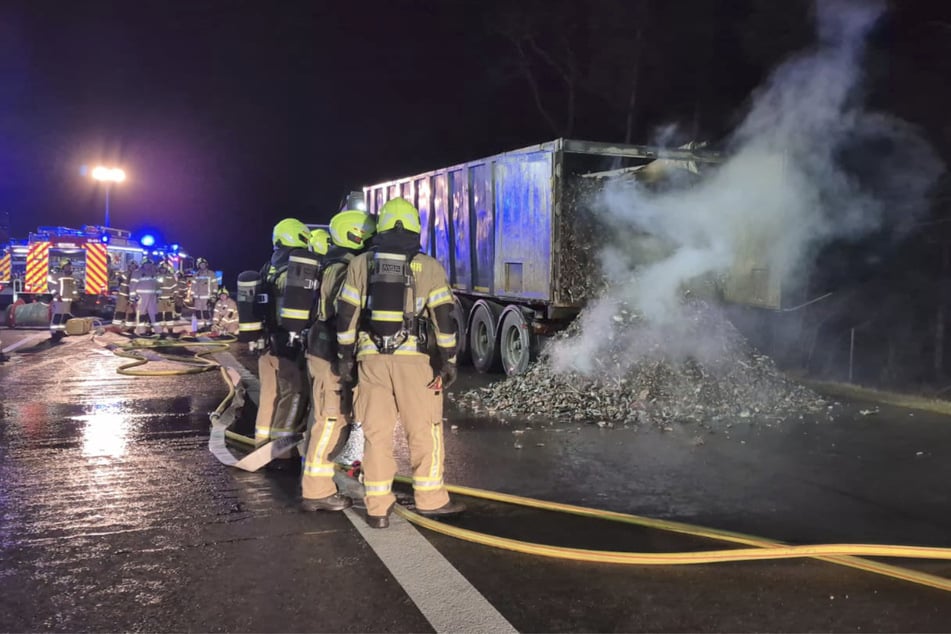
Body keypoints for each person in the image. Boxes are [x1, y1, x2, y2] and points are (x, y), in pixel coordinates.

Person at [336, 197, 463, 528]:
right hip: (415, 363)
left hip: (371, 360)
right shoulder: (430, 266)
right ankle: (431, 500)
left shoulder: (361, 263)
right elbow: (443, 319)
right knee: (424, 431)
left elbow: (346, 315)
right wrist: (448, 360)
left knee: (377, 436)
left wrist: (347, 357)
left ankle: (377, 508)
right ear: (415, 227)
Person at [300, 210, 375, 512]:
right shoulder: (344, 268)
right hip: (328, 352)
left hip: (323, 350)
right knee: (329, 420)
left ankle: (333, 476)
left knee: (337, 418)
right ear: (353, 235)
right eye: (367, 236)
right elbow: (343, 315)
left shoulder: (332, 264)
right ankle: (316, 491)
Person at [254, 218, 311, 447]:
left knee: (269, 394)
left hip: (266, 341)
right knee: (293, 394)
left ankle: (261, 442)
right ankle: (281, 451)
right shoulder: (295, 269)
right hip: (288, 342)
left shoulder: (268, 267)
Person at [48, 258, 79, 340]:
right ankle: (54, 332)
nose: (69, 267)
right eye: (67, 266)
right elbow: (51, 286)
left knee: (64, 316)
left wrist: (75, 296)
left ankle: (60, 331)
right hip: (59, 300)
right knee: (57, 315)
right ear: (63, 267)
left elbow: (73, 288)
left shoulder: (71, 277)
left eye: (69, 266)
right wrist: (56, 295)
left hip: (67, 301)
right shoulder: (57, 276)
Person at [131, 258, 160, 336]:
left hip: (152, 296)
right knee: (141, 313)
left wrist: (158, 295)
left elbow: (156, 285)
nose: (148, 265)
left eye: (149, 264)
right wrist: (132, 297)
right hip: (142, 296)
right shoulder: (137, 272)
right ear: (143, 264)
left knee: (154, 313)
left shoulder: (153, 273)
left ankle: (158, 330)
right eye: (147, 264)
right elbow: (133, 285)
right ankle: (141, 331)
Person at [190, 257, 217, 332]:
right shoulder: (196, 275)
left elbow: (215, 285)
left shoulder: (211, 274)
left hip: (207, 297)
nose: (202, 266)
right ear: (198, 266)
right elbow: (193, 286)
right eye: (201, 264)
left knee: (206, 313)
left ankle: (208, 327)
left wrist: (214, 295)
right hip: (197, 298)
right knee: (198, 313)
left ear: (206, 265)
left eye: (203, 264)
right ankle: (200, 327)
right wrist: (192, 296)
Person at [113, 260, 138, 331]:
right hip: (123, 295)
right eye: (131, 266)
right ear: (129, 267)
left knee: (131, 312)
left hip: (133, 297)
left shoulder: (138, 275)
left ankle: (128, 327)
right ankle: (116, 326)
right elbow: (117, 280)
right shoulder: (125, 274)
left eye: (134, 266)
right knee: (120, 310)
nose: (132, 268)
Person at [156, 261, 177, 336]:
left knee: (169, 315)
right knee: (159, 315)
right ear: (159, 269)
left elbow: (175, 287)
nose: (163, 270)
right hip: (159, 299)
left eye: (164, 269)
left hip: (169, 299)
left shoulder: (171, 276)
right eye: (161, 269)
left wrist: (174, 297)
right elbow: (154, 287)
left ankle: (170, 330)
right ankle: (159, 330)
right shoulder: (157, 276)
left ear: (166, 269)